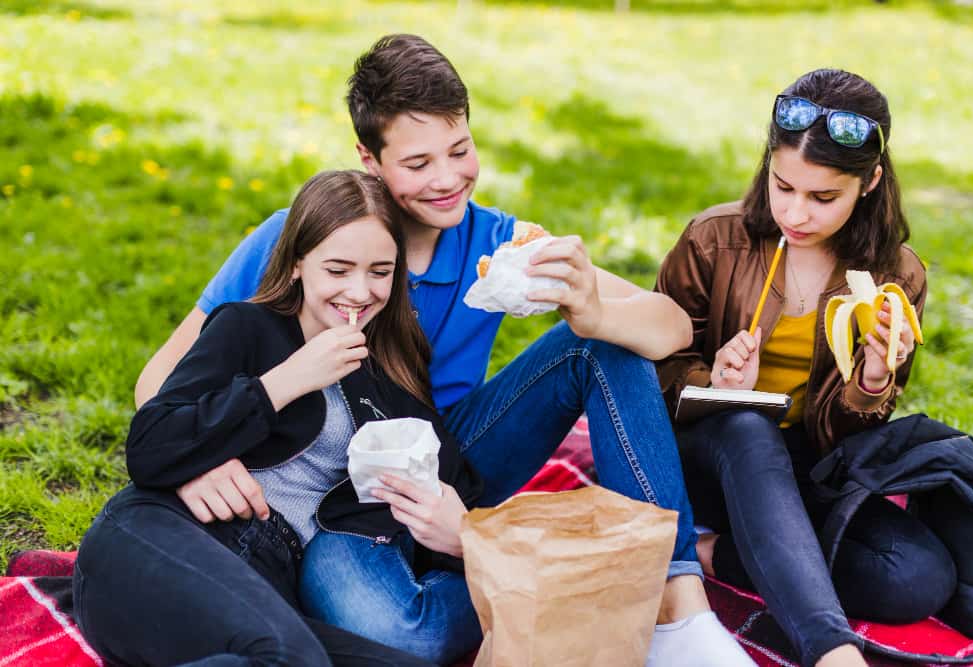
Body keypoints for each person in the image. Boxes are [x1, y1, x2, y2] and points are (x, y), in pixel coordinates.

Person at [133, 34, 753, 666]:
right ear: (369, 160)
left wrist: (590, 308)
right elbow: (159, 380)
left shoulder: (502, 246)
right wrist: (197, 459)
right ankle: (560, 578)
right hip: (322, 494)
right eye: (418, 163)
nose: (447, 179)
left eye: (460, 151)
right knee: (396, 635)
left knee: (601, 343)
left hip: (450, 458)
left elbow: (674, 327)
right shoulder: (313, 238)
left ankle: (676, 601)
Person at [72, 170, 480, 666]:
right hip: (165, 542)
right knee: (292, 657)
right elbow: (150, 444)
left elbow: (457, 489)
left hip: (264, 587)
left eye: (379, 271)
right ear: (296, 267)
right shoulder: (248, 328)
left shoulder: (388, 383)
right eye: (338, 269)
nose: (359, 290)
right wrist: (286, 382)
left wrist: (463, 538)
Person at [655, 68, 956, 667]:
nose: (795, 212)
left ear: (869, 182)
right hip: (707, 455)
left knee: (918, 577)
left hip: (806, 471)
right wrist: (712, 383)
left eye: (823, 198)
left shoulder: (898, 276)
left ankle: (714, 554)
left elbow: (853, 445)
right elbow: (645, 374)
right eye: (782, 185)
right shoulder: (714, 240)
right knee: (748, 426)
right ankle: (831, 649)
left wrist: (872, 381)